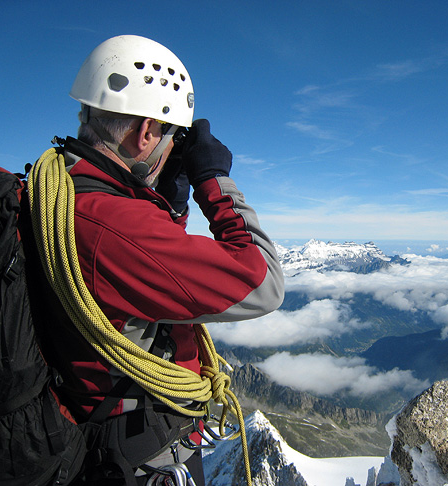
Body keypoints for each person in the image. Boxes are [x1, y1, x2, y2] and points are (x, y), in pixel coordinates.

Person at [29, 34, 284, 485]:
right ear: (146, 131)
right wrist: (214, 181)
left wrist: (171, 206)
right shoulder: (112, 225)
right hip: (135, 454)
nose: (171, 147)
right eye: (171, 134)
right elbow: (263, 282)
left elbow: (144, 278)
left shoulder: (58, 190)